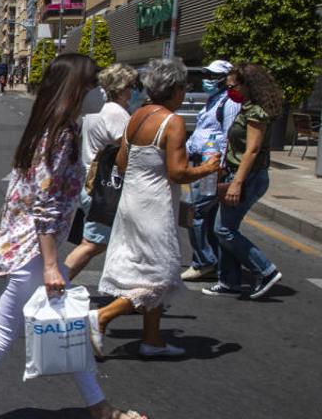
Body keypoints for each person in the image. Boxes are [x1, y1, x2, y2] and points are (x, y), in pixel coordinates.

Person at [0, 53, 150, 419]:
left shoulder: (47, 128)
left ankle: (100, 413)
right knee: (4, 336)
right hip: (34, 254)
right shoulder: (62, 135)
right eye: (90, 87)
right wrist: (52, 265)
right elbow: (46, 206)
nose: (97, 95)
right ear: (75, 91)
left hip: (29, 250)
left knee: (69, 327)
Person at [93, 58, 221, 357]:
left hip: (131, 202)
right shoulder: (171, 121)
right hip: (154, 206)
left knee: (146, 270)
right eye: (183, 88)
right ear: (174, 89)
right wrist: (207, 168)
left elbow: (122, 163)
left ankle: (152, 340)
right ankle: (101, 317)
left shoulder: (136, 115)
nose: (185, 94)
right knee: (161, 276)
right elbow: (178, 172)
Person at [202, 63, 284, 300]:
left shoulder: (256, 112)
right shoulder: (245, 107)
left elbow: (252, 150)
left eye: (233, 85)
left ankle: (265, 269)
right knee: (226, 228)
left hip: (248, 177)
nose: (229, 89)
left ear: (248, 85)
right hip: (236, 173)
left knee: (224, 229)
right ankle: (229, 281)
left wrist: (237, 182)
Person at [64, 63, 137, 280]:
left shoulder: (97, 109)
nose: (134, 91)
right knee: (93, 243)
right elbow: (125, 150)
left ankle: (127, 290)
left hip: (90, 182)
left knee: (114, 240)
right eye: (131, 86)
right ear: (122, 88)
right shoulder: (116, 113)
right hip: (103, 188)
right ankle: (54, 284)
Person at [181, 60, 240, 281]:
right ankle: (212, 260)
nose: (207, 80)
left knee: (195, 213)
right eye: (206, 75)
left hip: (212, 168)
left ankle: (203, 261)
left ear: (225, 79)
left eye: (213, 76)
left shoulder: (229, 103)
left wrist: (221, 167)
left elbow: (227, 137)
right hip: (201, 164)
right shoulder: (213, 101)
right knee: (205, 216)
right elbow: (201, 133)